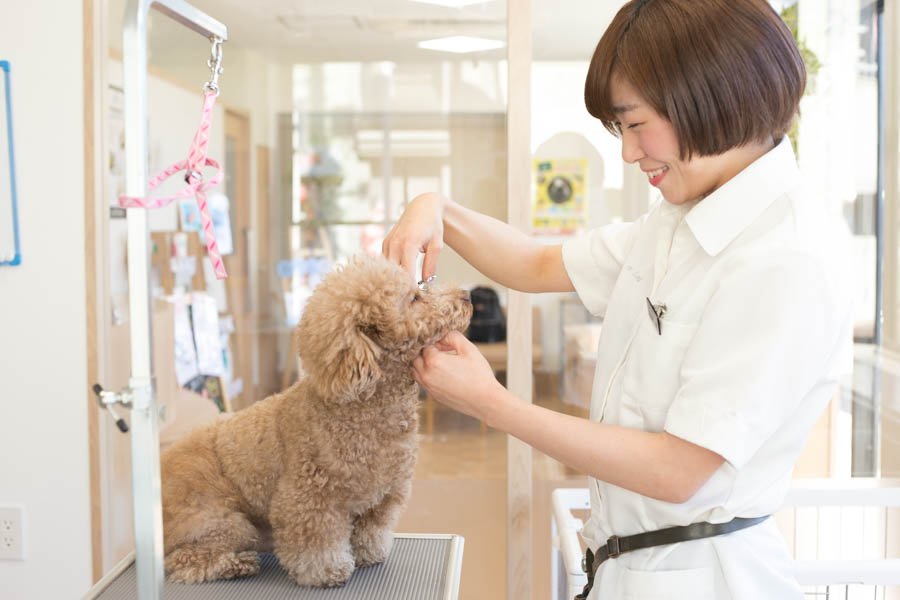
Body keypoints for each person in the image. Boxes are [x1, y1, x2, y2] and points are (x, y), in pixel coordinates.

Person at [382, 0, 852, 598]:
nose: (629, 154)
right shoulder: (682, 219)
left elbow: (680, 469)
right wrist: (436, 208)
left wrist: (491, 404)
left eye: (635, 124)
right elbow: (536, 262)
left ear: (709, 95)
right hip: (633, 567)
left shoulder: (786, 256)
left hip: (699, 579)